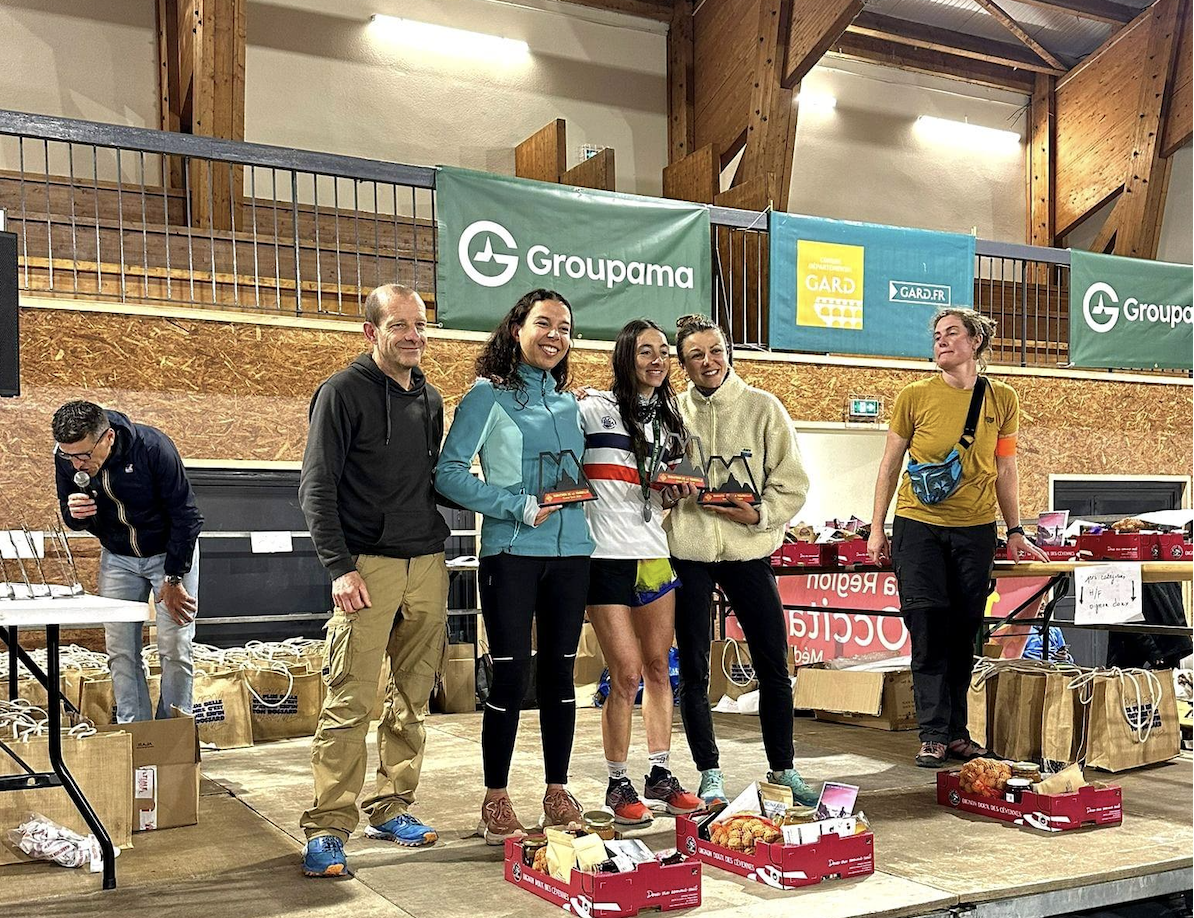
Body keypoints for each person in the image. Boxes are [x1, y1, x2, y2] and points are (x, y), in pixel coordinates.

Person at [298, 284, 449, 879]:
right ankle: (328, 826)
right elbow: (316, 486)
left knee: (412, 697)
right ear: (371, 332)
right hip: (367, 568)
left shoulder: (430, 398)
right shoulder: (341, 393)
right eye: (398, 325)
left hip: (427, 563)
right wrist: (339, 567)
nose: (413, 336)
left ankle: (392, 807)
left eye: (420, 325)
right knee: (350, 700)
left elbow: (431, 479)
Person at [435, 288, 594, 844]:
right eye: (544, 323)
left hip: (572, 555)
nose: (555, 336)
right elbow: (448, 474)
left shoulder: (570, 404)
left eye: (564, 328)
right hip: (511, 555)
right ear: (516, 330)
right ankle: (495, 799)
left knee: (560, 675)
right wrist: (514, 505)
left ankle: (557, 791)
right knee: (510, 674)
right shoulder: (487, 395)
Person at [867, 307, 1049, 768]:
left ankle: (957, 734)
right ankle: (932, 733)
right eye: (936, 335)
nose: (941, 341)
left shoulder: (1002, 398)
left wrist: (1014, 529)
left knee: (964, 633)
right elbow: (889, 465)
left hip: (975, 529)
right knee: (928, 629)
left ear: (975, 342)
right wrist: (876, 527)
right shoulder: (914, 396)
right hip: (918, 526)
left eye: (951, 333)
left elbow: (1005, 468)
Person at [663, 314, 818, 807]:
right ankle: (709, 774)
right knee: (693, 670)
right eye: (696, 355)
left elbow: (792, 481)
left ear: (728, 353)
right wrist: (666, 496)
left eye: (715, 351)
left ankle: (784, 769)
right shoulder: (670, 411)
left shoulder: (764, 408)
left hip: (749, 552)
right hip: (687, 554)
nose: (708, 362)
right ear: (683, 363)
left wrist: (760, 514)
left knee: (773, 663)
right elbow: (653, 479)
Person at [577, 319, 701, 826]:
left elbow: (667, 490)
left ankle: (660, 774)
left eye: (663, 352)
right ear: (625, 355)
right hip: (603, 556)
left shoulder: (671, 423)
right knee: (625, 673)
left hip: (652, 553)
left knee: (658, 669)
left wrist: (677, 492)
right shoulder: (591, 408)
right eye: (645, 351)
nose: (657, 360)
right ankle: (617, 781)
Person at [52, 400, 203, 724]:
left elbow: (187, 517)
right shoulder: (66, 456)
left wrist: (174, 577)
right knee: (120, 651)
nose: (77, 464)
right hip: (118, 558)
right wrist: (75, 514)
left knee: (175, 647)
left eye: (84, 455)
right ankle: (135, 731)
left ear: (107, 437)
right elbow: (71, 513)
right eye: (69, 456)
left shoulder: (152, 448)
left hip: (169, 554)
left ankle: (173, 731)